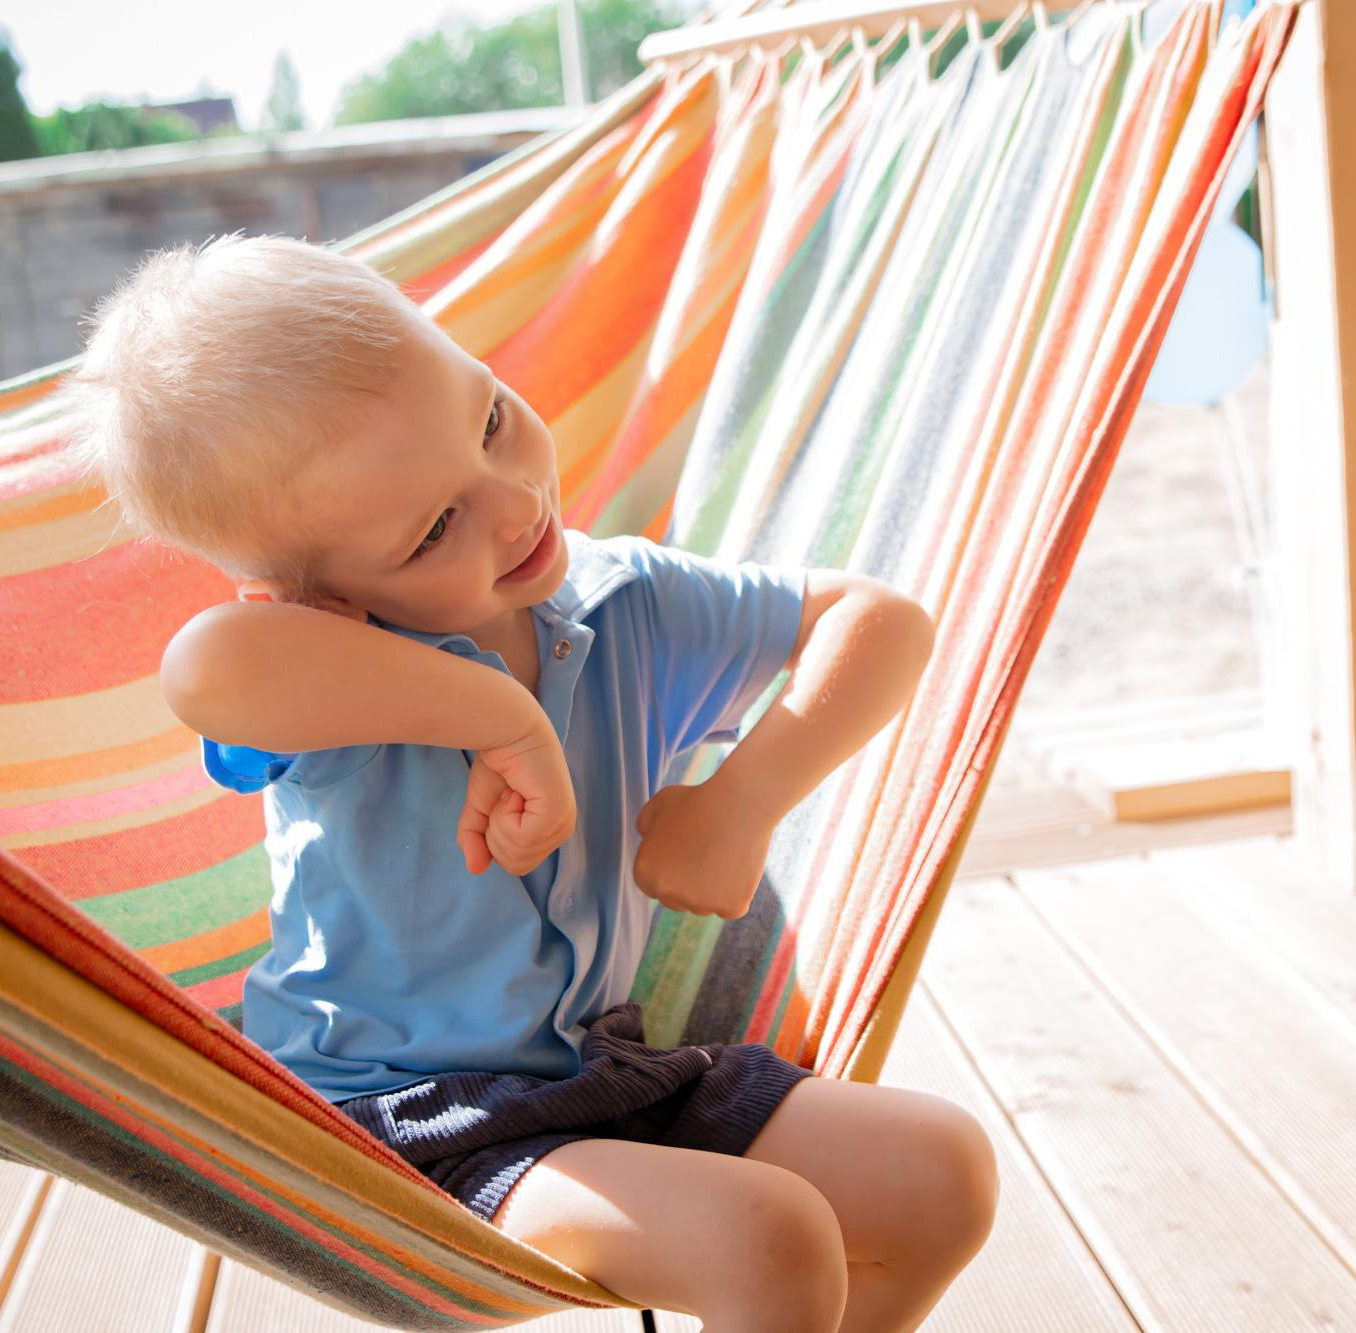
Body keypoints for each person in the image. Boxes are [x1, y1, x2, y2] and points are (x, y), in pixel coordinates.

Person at [60, 233, 997, 1332]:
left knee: (941, 1172)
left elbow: (877, 619)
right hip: (397, 1122)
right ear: (312, 597)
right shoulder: (325, 668)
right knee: (765, 1236)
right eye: (433, 529)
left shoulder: (627, 599)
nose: (511, 504)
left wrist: (743, 801)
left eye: (491, 419)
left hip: (602, 1071)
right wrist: (500, 718)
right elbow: (202, 668)